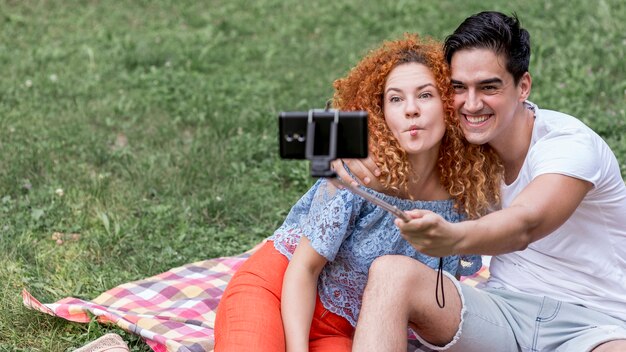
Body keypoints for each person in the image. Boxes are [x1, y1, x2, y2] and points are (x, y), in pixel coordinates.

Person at [337, 11, 626, 352]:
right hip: (502, 311)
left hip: (594, 325)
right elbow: (394, 134)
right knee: (391, 274)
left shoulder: (569, 145)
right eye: (459, 88)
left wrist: (454, 239)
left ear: (523, 86)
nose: (471, 105)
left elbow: (525, 225)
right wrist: (344, 149)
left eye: (489, 87)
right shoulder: (465, 146)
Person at [213, 34, 503, 351]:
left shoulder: (467, 190)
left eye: (425, 95)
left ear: (450, 104)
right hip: (277, 290)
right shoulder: (360, 169)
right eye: (395, 99)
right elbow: (303, 270)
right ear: (380, 113)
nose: (411, 110)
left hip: (345, 331)